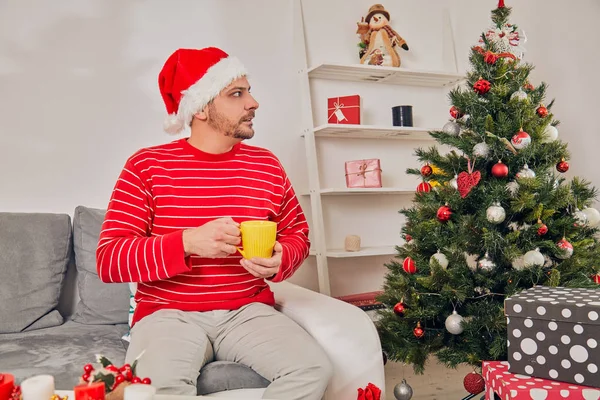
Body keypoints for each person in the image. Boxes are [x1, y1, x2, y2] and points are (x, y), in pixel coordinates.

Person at [96, 47, 333, 400]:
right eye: (236, 94)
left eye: (248, 91)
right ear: (201, 107)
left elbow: (298, 234)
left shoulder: (266, 165)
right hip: (167, 315)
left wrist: (282, 258)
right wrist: (187, 243)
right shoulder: (146, 166)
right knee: (158, 391)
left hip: (247, 311)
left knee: (313, 369)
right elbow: (109, 260)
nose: (253, 102)